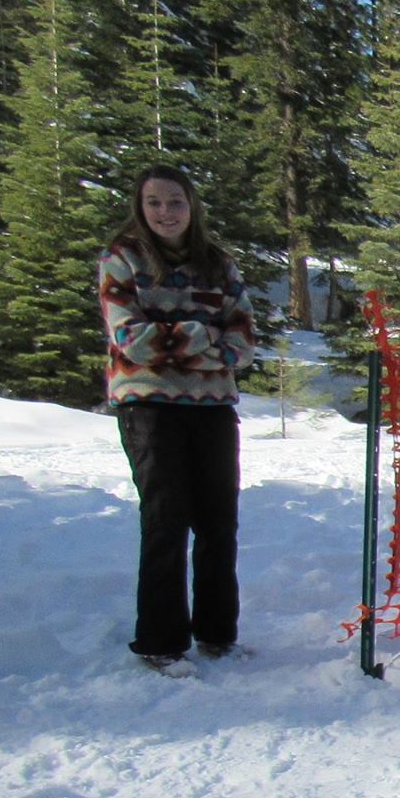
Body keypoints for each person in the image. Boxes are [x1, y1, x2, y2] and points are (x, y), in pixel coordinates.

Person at [99, 163, 257, 670]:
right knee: (166, 520)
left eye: (175, 202)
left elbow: (243, 343)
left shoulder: (218, 265)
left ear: (192, 206)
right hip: (147, 407)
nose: (165, 212)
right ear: (141, 208)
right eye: (155, 203)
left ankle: (217, 634)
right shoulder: (121, 260)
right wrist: (205, 335)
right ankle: (161, 642)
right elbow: (131, 341)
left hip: (212, 407)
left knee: (218, 521)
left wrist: (176, 338)